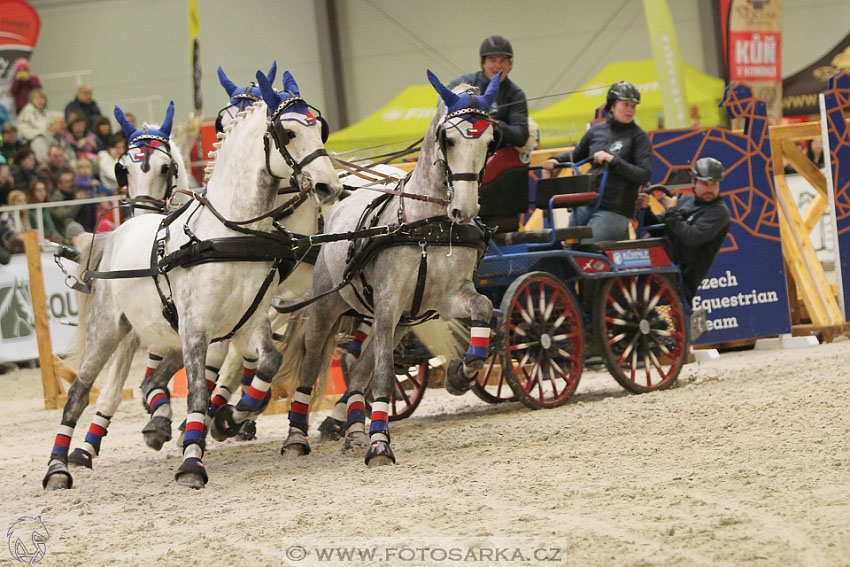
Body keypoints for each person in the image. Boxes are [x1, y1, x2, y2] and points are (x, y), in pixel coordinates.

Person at [542, 81, 652, 242]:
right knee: (566, 244)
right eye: (625, 105)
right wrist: (555, 160)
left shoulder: (639, 137)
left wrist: (613, 160)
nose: (630, 110)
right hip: (586, 202)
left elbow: (644, 174)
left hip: (616, 210)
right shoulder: (596, 131)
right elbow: (577, 154)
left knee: (586, 246)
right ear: (612, 106)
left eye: (633, 106)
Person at [636, 157, 730, 301]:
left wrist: (672, 211)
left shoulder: (719, 212)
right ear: (694, 182)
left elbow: (690, 238)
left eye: (714, 184)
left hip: (679, 280)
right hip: (659, 268)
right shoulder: (686, 200)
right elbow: (658, 228)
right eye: (705, 184)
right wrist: (645, 209)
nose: (710, 189)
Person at [447, 35, 528, 150]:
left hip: (495, 154)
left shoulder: (516, 94)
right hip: (461, 149)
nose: (498, 66)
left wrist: (492, 123)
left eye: (503, 60)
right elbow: (444, 108)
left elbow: (521, 136)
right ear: (483, 62)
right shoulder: (462, 83)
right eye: (492, 60)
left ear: (510, 64)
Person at [47, 167, 85, 245]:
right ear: (59, 185)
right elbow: (64, 215)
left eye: (72, 180)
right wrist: (77, 202)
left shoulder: (77, 193)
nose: (71, 184)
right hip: (64, 234)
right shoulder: (55, 198)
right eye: (67, 182)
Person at [25, 179, 63, 243]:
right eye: (38, 190)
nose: (42, 193)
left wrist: (63, 241)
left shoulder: (45, 208)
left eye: (43, 189)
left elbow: (52, 230)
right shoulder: (29, 211)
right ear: (32, 193)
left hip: (50, 239)